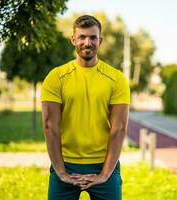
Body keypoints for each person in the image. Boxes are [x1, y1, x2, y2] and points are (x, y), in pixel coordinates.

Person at [41, 15, 130, 200]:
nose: (87, 42)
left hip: (104, 164)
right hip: (64, 164)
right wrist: (61, 172)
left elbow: (119, 128)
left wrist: (105, 174)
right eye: (82, 37)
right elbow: (50, 126)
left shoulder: (117, 79)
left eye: (92, 37)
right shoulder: (56, 77)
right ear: (73, 39)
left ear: (100, 40)